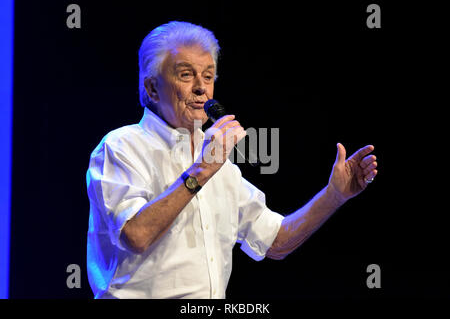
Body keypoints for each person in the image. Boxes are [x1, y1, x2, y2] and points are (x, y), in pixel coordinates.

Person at [86, 21, 378, 299]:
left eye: (209, 76)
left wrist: (334, 196)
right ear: (151, 88)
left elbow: (276, 242)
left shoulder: (220, 166)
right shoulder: (121, 147)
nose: (201, 87)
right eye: (186, 74)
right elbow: (135, 235)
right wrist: (203, 170)